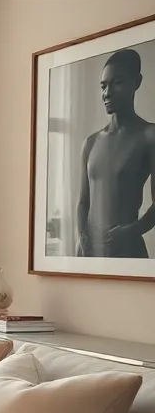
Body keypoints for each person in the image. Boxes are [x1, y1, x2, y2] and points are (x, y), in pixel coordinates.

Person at [76, 47, 155, 258]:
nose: (107, 93)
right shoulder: (90, 143)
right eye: (103, 86)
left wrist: (130, 231)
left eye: (117, 83)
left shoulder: (149, 136)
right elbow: (83, 202)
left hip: (127, 250)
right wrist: (82, 238)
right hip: (88, 253)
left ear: (136, 82)